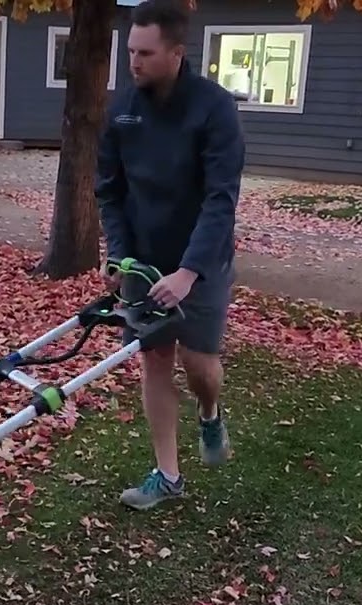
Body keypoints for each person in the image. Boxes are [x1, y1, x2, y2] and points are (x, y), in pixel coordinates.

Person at [94, 0, 245, 510]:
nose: (133, 62)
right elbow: (109, 191)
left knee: (199, 363)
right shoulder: (122, 110)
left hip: (200, 260)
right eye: (130, 51)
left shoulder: (213, 108)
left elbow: (221, 198)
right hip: (143, 258)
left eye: (145, 53)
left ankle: (210, 413)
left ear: (177, 53)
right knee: (155, 360)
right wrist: (118, 256)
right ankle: (168, 474)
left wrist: (189, 270)